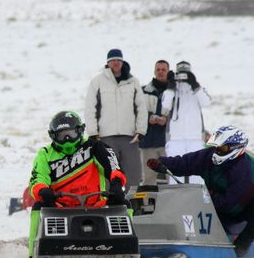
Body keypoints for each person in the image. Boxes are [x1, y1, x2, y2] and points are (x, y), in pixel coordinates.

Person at [146, 126, 254, 257]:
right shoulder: (209, 156)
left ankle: (242, 244)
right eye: (216, 147)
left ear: (235, 148)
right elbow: (185, 163)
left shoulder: (244, 171)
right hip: (223, 197)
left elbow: (231, 204)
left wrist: (208, 198)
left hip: (250, 203)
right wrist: (162, 164)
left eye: (221, 148)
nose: (217, 151)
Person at [28, 111, 128, 258]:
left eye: (70, 134)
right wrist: (42, 191)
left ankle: (127, 250)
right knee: (38, 206)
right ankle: (34, 252)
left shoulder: (95, 147)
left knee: (123, 202)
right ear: (53, 136)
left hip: (96, 205)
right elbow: (38, 178)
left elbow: (113, 166)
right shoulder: (44, 154)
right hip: (60, 207)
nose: (67, 139)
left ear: (80, 131)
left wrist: (116, 183)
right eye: (62, 135)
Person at [84, 48, 148, 188]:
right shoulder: (97, 81)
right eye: (113, 60)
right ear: (108, 63)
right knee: (107, 173)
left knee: (133, 174)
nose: (116, 63)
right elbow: (90, 107)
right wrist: (93, 133)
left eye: (119, 60)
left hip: (130, 137)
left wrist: (141, 130)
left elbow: (141, 107)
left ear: (122, 61)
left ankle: (132, 205)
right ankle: (108, 205)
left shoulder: (133, 81)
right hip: (105, 137)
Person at [161, 60, 211, 184]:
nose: (183, 76)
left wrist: (195, 85)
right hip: (175, 138)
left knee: (197, 171)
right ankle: (175, 199)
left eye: (186, 73)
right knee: (175, 170)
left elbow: (206, 102)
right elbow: (165, 106)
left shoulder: (197, 89)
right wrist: (171, 87)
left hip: (195, 137)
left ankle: (198, 199)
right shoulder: (171, 90)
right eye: (180, 73)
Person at [140, 60, 170, 185]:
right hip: (148, 142)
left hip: (168, 143)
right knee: (148, 179)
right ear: (154, 71)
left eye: (163, 70)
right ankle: (147, 204)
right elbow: (137, 111)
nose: (160, 72)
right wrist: (148, 118)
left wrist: (166, 120)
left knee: (172, 177)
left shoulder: (173, 92)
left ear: (168, 71)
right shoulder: (144, 91)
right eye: (158, 69)